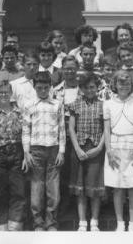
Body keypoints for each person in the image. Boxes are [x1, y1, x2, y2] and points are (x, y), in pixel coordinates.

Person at [103, 70, 133, 231]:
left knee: (132, 187)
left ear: (132, 85)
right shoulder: (108, 103)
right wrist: (109, 150)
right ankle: (120, 223)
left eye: (127, 83)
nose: (124, 86)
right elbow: (107, 129)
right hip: (115, 147)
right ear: (115, 84)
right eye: (121, 83)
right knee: (117, 187)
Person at [22, 72, 65, 231]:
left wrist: (61, 151)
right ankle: (38, 222)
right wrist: (26, 152)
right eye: (39, 88)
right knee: (37, 187)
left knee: (53, 188)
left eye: (46, 87)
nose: (42, 91)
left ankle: (51, 222)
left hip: (53, 149)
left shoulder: (57, 104)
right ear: (34, 87)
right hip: (36, 150)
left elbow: (62, 129)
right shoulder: (29, 105)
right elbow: (26, 129)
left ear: (50, 87)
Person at [0, 80, 27, 231]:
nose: (4, 95)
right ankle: (0, 227)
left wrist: (25, 155)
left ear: (11, 94)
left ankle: (15, 226)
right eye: (0, 92)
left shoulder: (19, 112)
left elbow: (25, 136)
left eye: (6, 92)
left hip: (17, 153)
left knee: (18, 191)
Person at [67, 72, 105, 231]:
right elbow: (71, 128)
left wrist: (99, 147)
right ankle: (82, 221)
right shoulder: (75, 104)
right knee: (80, 186)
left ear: (97, 88)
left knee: (94, 186)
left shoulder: (103, 104)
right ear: (81, 88)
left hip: (96, 149)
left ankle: (94, 220)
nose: (90, 90)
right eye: (86, 87)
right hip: (79, 150)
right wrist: (77, 148)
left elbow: (106, 129)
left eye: (92, 87)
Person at [51, 55, 80, 215]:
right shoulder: (56, 91)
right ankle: (64, 204)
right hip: (62, 137)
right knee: (63, 171)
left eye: (72, 68)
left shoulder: (82, 89)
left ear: (77, 69)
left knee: (78, 170)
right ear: (62, 69)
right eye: (66, 68)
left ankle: (79, 203)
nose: (69, 71)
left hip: (81, 135)